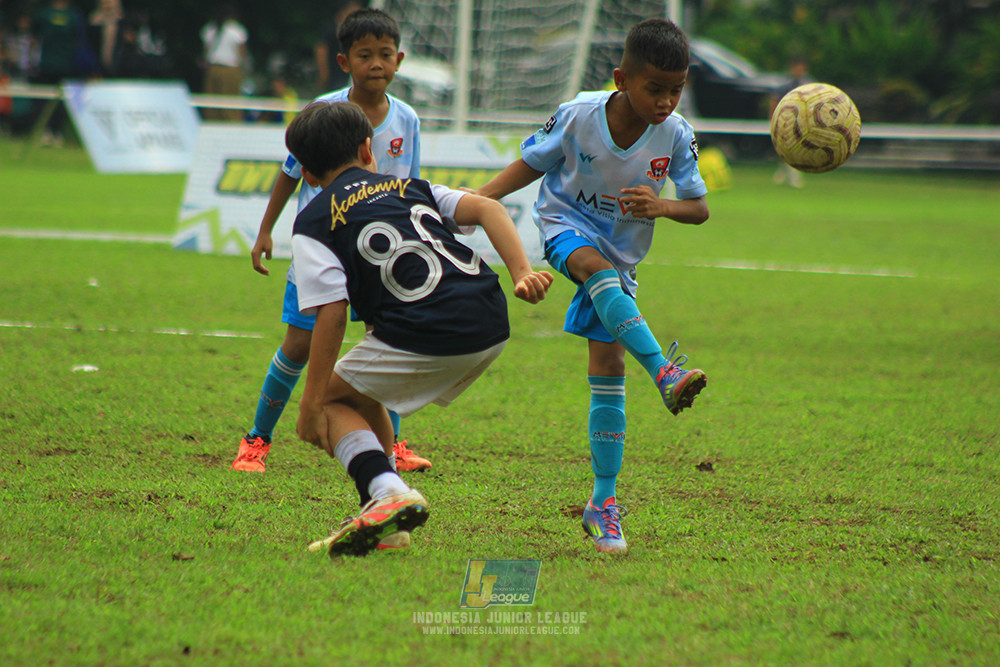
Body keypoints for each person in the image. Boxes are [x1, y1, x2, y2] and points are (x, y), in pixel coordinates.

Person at [473, 18, 710, 555]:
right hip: (565, 227)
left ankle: (602, 505)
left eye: (677, 89)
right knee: (597, 272)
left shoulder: (677, 135)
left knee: (607, 366)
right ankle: (666, 373)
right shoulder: (580, 114)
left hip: (624, 252)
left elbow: (699, 208)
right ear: (621, 77)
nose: (667, 101)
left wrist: (662, 205)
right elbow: (530, 164)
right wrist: (475, 204)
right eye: (656, 88)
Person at [284, 101, 553, 556]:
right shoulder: (412, 186)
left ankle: (387, 491)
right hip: (489, 314)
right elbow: (488, 208)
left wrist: (311, 402)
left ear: (307, 175)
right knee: (363, 393)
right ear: (368, 150)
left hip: (429, 328)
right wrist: (521, 271)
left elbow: (330, 310)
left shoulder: (312, 222)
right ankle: (388, 521)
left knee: (332, 399)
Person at [232, 8, 429, 475]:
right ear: (345, 62)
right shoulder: (322, 112)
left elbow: (411, 183)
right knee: (299, 345)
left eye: (385, 55)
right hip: (322, 250)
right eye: (365, 55)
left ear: (399, 60)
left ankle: (395, 444)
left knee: (389, 344)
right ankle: (257, 439)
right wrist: (265, 231)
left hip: (379, 253)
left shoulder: (408, 120)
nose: (376, 64)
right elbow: (289, 173)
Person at [199, 4, 247, 121]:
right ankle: (231, 123)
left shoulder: (209, 29)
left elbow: (205, 50)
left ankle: (211, 122)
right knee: (230, 102)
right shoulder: (237, 30)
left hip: (213, 69)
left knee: (212, 101)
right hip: (230, 69)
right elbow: (241, 53)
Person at [771, 55, 812, 188]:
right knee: (789, 149)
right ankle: (793, 177)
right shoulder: (786, 84)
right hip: (788, 122)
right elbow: (775, 100)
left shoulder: (810, 85)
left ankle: (784, 174)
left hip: (804, 123)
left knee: (796, 150)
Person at [314, 1, 364, 93]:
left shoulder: (356, 31)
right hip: (335, 75)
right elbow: (321, 50)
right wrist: (323, 73)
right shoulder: (331, 30)